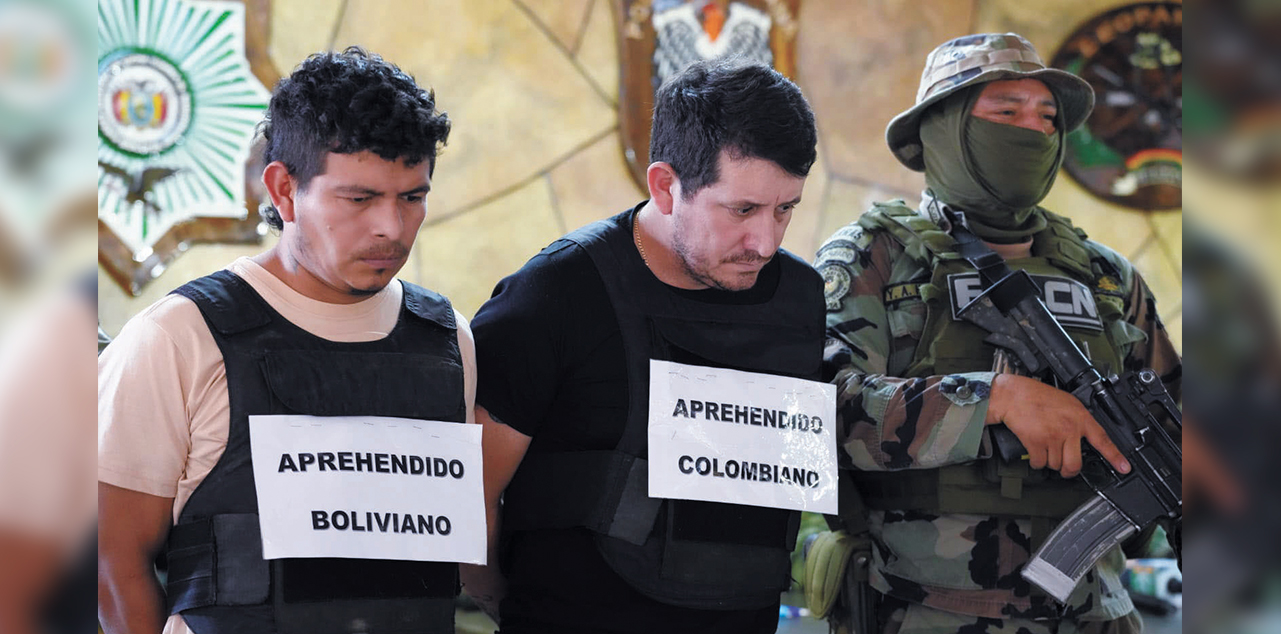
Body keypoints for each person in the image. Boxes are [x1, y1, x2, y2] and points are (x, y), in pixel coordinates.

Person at [97, 47, 474, 634]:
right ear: (284, 189)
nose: (391, 228)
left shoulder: (449, 340)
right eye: (360, 198)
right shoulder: (178, 338)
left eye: (412, 197)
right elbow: (109, 557)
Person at [815, 33, 1182, 634]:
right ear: (942, 128)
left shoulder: (1107, 276)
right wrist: (994, 402)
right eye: (1006, 113)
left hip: (1097, 614)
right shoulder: (872, 258)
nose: (1032, 131)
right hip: (922, 609)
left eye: (1047, 117)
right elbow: (814, 418)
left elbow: (1178, 422)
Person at [460, 58, 823, 634]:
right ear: (665, 185)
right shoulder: (555, 293)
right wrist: (507, 604)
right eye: (743, 209)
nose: (764, 242)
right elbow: (467, 497)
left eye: (786, 210)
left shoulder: (801, 298)